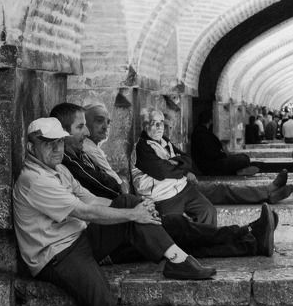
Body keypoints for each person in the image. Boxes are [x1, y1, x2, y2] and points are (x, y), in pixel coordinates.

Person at [13, 117, 220, 306]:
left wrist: (136, 209)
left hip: (77, 238)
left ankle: (176, 258)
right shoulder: (34, 180)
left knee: (128, 201)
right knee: (103, 305)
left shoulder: (59, 169)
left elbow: (92, 199)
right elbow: (85, 212)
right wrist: (133, 214)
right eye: (48, 144)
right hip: (56, 255)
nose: (57, 149)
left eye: (59, 142)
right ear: (32, 146)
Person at [52, 103, 277, 259]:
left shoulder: (77, 157)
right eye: (81, 127)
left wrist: (128, 205)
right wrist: (130, 210)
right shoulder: (61, 166)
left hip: (125, 218)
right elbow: (94, 200)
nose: (88, 131)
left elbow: (94, 196)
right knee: (178, 235)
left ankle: (250, 237)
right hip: (104, 239)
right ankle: (249, 236)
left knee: (185, 227)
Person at [133, 109, 293, 227]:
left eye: (161, 123)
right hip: (168, 195)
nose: (159, 127)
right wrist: (180, 166)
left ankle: (269, 191)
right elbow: (162, 171)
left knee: (223, 190)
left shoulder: (165, 141)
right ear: (145, 125)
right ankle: (266, 193)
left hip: (184, 186)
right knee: (237, 167)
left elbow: (187, 159)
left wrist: (179, 165)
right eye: (155, 124)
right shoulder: (143, 147)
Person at [80, 101, 130, 196]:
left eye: (108, 122)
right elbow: (120, 187)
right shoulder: (88, 148)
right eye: (99, 121)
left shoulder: (92, 145)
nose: (106, 127)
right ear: (84, 124)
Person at [191, 110, 260, 176]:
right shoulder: (203, 134)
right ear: (210, 120)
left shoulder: (199, 132)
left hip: (208, 165)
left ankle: (237, 170)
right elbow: (211, 154)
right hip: (211, 167)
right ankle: (236, 171)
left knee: (241, 157)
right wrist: (224, 154)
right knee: (244, 159)